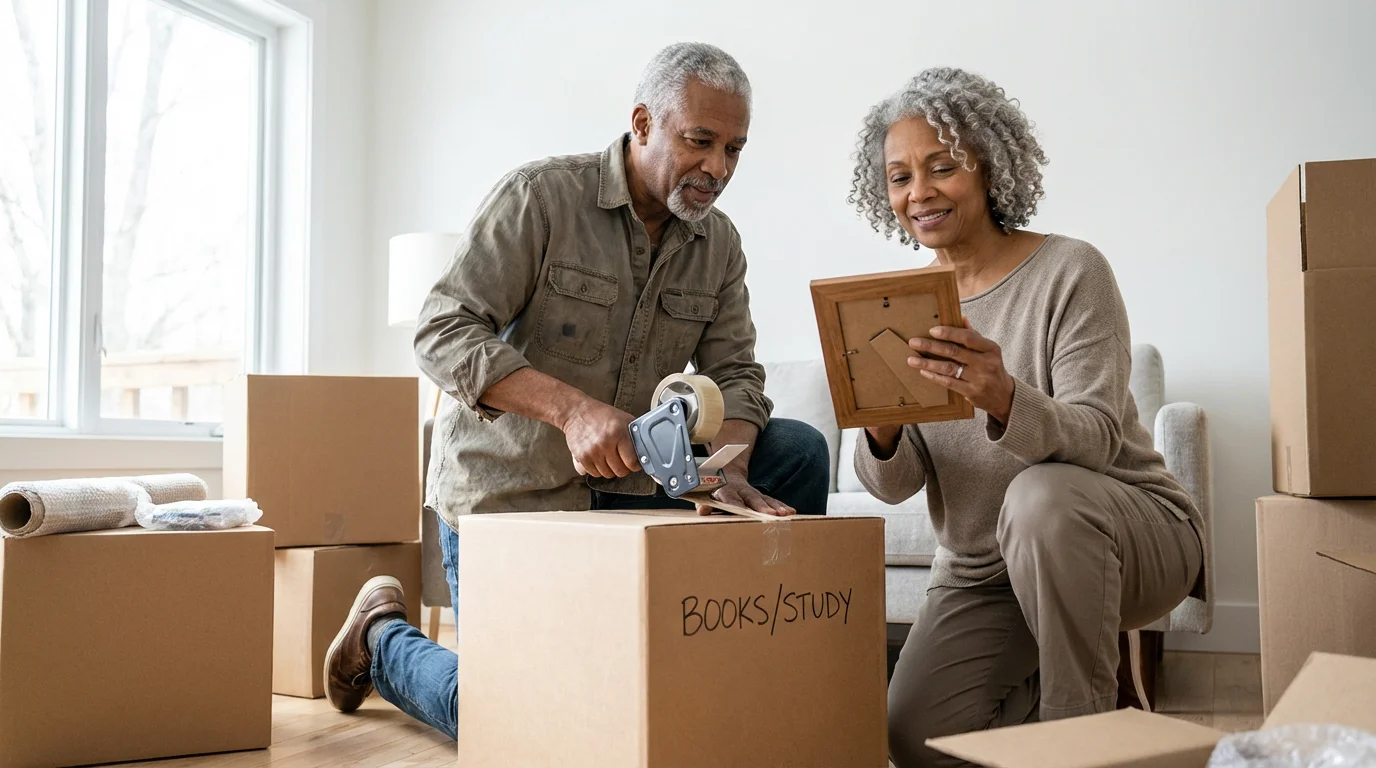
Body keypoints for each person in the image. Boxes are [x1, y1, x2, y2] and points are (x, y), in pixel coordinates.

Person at [319, 42, 831, 740]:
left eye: (734, 149)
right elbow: (441, 330)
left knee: (796, 449)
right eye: (700, 141)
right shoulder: (539, 197)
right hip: (513, 501)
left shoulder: (720, 244)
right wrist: (573, 411)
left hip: (638, 502)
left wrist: (730, 460)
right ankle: (381, 639)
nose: (717, 168)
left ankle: (754, 681)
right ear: (643, 122)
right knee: (519, 719)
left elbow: (737, 374)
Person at [847, 68, 1207, 767]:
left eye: (941, 167)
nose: (918, 193)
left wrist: (1004, 395)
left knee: (1040, 497)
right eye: (898, 178)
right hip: (985, 573)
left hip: (1130, 533)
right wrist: (881, 424)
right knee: (913, 736)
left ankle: (1086, 742)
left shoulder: (1071, 270)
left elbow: (1097, 440)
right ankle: (1083, 695)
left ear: (989, 167)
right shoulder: (907, 306)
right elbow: (892, 488)